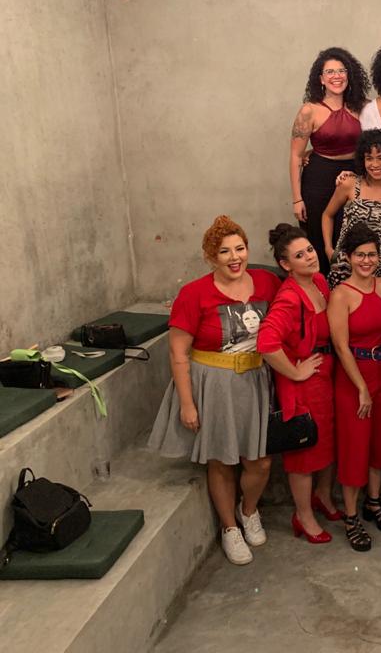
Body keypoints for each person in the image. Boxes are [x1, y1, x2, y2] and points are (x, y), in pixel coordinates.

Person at [148, 216, 280, 566]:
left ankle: (247, 510)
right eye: (225, 251)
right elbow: (178, 352)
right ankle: (229, 527)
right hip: (214, 384)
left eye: (240, 248)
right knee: (221, 460)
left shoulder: (267, 282)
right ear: (210, 256)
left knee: (260, 462)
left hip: (257, 381)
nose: (235, 257)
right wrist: (187, 403)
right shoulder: (194, 294)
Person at [328, 223, 381, 552]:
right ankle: (350, 516)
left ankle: (373, 502)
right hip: (353, 377)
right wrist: (361, 387)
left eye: (372, 254)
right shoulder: (340, 295)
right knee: (355, 446)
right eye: (360, 255)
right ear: (348, 257)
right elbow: (340, 346)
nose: (366, 261)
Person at [256, 224, 336, 544]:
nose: (310, 257)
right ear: (285, 264)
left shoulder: (319, 281)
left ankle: (323, 496)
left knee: (326, 443)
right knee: (304, 453)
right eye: (300, 255)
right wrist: (294, 372)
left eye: (310, 250)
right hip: (303, 383)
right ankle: (303, 515)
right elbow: (266, 343)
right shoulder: (289, 298)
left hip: (325, 375)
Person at [289, 47, 370, 271]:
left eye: (341, 71)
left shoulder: (363, 107)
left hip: (354, 176)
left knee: (352, 237)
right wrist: (297, 199)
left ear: (349, 75)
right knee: (317, 239)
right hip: (318, 179)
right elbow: (295, 155)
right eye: (330, 72)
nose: (337, 76)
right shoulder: (309, 111)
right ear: (321, 79)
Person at [322, 129, 381, 286]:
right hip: (345, 264)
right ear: (362, 160)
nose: (375, 164)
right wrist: (329, 249)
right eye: (369, 158)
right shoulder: (349, 184)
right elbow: (327, 215)